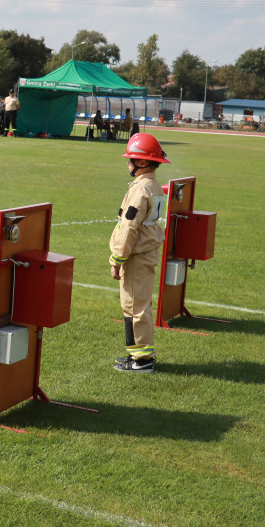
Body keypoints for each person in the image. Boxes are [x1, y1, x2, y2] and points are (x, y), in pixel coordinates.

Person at [109, 133, 169, 373]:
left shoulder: (139, 189)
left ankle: (142, 360)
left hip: (136, 255)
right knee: (136, 304)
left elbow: (129, 227)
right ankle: (136, 355)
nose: (128, 163)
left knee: (134, 306)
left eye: (131, 159)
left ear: (143, 163)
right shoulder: (152, 185)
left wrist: (117, 258)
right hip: (145, 252)